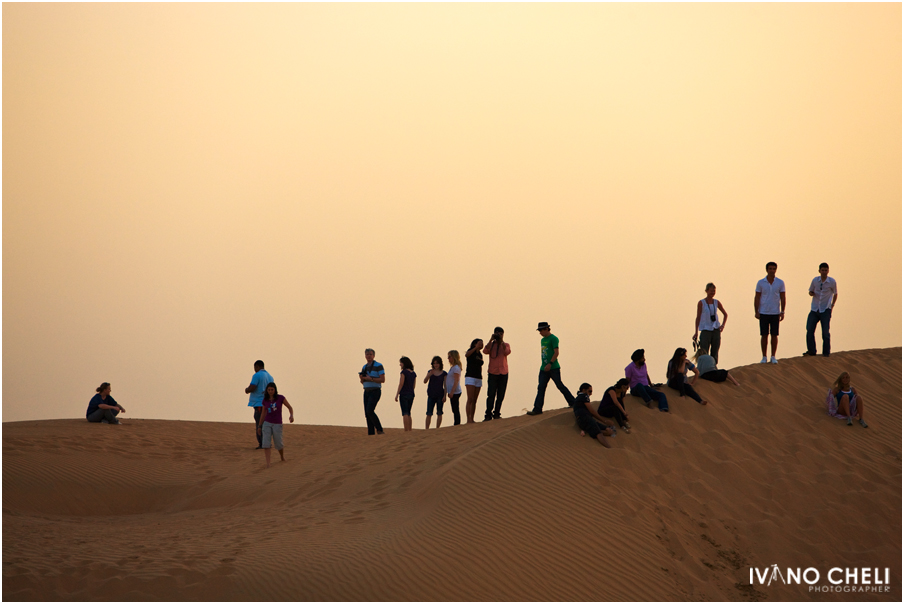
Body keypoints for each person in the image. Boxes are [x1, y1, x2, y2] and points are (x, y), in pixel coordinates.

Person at [527, 322, 576, 415]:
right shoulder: (542, 340)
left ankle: (573, 402)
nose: (540, 332)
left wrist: (550, 363)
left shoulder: (554, 338)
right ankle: (537, 409)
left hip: (553, 368)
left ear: (546, 329)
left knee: (559, 385)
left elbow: (556, 352)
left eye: (541, 330)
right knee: (541, 387)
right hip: (543, 368)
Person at [256, 383, 295, 468]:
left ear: (275, 390)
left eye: (272, 390)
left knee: (278, 443)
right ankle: (268, 463)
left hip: (277, 423)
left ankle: (282, 457)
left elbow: (290, 407)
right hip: (267, 423)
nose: (270, 391)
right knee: (266, 443)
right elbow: (263, 413)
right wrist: (259, 426)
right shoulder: (265, 400)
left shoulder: (280, 398)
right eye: (269, 390)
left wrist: (291, 415)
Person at [754, 262, 786, 364]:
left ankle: (773, 356)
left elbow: (783, 297)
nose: (772, 270)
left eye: (773, 268)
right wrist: (756, 311)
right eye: (770, 268)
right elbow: (757, 297)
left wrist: (782, 311)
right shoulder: (761, 282)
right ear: (767, 270)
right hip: (763, 312)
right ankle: (764, 356)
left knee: (774, 335)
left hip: (775, 312)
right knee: (764, 335)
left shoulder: (780, 282)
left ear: (776, 270)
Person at [805, 262, 838, 357]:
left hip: (825, 309)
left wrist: (832, 305)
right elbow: (810, 291)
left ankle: (826, 353)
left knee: (825, 332)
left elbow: (835, 293)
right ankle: (811, 351)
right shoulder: (815, 280)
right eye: (822, 270)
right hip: (815, 309)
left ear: (828, 271)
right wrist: (811, 293)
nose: (824, 272)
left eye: (825, 270)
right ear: (819, 271)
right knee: (809, 329)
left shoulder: (832, 281)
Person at [693, 283, 728, 364]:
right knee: (704, 351)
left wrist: (722, 325)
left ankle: (713, 367)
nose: (713, 292)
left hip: (715, 329)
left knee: (715, 350)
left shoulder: (716, 302)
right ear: (706, 291)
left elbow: (725, 314)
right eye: (711, 291)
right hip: (705, 330)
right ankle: (704, 367)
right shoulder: (701, 303)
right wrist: (696, 332)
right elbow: (698, 318)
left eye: (714, 291)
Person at [572, 383, 614, 448]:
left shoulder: (578, 398)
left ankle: (590, 431)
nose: (591, 394)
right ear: (583, 390)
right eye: (590, 391)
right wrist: (604, 421)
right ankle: (609, 448)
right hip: (585, 418)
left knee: (608, 430)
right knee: (598, 433)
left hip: (585, 419)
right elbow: (592, 411)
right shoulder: (584, 396)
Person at [483, 327, 511, 421]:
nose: (499, 335)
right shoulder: (491, 345)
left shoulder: (506, 344)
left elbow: (507, 352)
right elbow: (485, 351)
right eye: (497, 333)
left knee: (500, 395)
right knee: (491, 394)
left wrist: (501, 341)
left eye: (501, 333)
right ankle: (488, 414)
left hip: (503, 372)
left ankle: (497, 413)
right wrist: (491, 339)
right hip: (493, 372)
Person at [245, 360, 273, 448]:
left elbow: (253, 386)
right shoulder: (270, 377)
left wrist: (247, 390)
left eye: (255, 368)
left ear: (257, 366)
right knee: (266, 423)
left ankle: (262, 443)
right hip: (268, 403)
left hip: (259, 403)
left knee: (259, 423)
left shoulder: (257, 375)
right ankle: (267, 442)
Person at [359, 348, 385, 436]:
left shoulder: (379, 365)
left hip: (375, 391)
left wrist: (371, 379)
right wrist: (362, 379)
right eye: (367, 354)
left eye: (370, 354)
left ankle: (379, 429)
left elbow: (382, 379)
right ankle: (371, 433)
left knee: (370, 410)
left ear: (373, 355)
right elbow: (363, 382)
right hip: (366, 391)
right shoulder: (364, 367)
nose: (368, 356)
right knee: (367, 413)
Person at [463, 339, 484, 424]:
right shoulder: (470, 351)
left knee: (475, 400)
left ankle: (472, 418)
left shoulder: (480, 355)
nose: (481, 345)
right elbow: (467, 355)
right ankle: (468, 419)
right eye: (480, 343)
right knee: (470, 399)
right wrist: (475, 348)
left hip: (478, 377)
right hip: (470, 377)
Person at [423, 356, 447, 429]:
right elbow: (425, 381)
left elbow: (445, 385)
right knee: (429, 413)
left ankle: (437, 428)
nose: (436, 365)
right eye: (434, 363)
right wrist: (429, 375)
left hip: (440, 395)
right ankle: (427, 429)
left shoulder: (444, 373)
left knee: (439, 412)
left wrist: (445, 395)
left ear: (440, 364)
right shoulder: (430, 371)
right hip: (431, 394)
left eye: (437, 363)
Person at [394, 356, 416, 432]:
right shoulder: (413, 373)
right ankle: (410, 429)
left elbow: (401, 383)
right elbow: (414, 386)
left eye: (401, 363)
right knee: (409, 412)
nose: (400, 364)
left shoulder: (404, 372)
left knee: (405, 413)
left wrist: (397, 394)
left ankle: (406, 429)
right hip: (411, 394)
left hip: (404, 394)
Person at [445, 350, 463, 425]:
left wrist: (452, 392)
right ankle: (456, 423)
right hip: (452, 391)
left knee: (455, 408)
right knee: (454, 408)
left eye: (450, 357)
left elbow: (456, 381)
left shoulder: (456, 368)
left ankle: (457, 423)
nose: (448, 358)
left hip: (455, 392)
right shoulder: (453, 367)